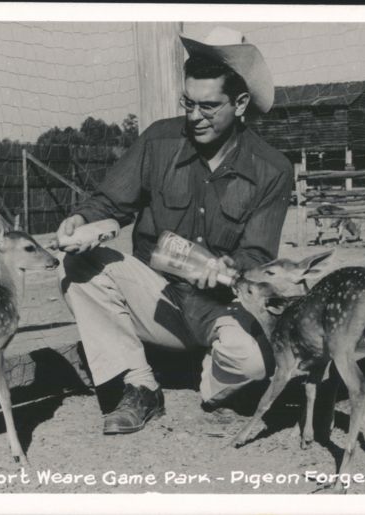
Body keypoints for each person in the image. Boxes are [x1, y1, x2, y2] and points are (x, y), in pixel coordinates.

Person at [56, 27, 293, 435]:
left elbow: (257, 255)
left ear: (239, 104)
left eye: (208, 106)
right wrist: (82, 221)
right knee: (76, 264)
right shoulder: (158, 141)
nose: (194, 116)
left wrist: (226, 266)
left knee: (253, 364)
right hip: (158, 297)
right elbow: (110, 202)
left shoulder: (272, 169)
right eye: (188, 103)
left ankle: (212, 378)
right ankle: (140, 385)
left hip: (221, 304)